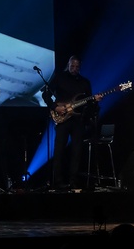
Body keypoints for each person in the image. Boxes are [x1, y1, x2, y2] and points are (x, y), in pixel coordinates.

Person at [42, 55, 102, 190]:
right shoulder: (59, 78)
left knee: (77, 152)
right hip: (62, 119)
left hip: (78, 120)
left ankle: (73, 182)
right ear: (68, 65)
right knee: (59, 151)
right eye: (72, 66)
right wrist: (54, 107)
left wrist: (95, 100)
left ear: (80, 67)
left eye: (77, 67)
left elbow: (89, 103)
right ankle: (58, 182)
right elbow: (45, 94)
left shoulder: (85, 82)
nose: (74, 69)